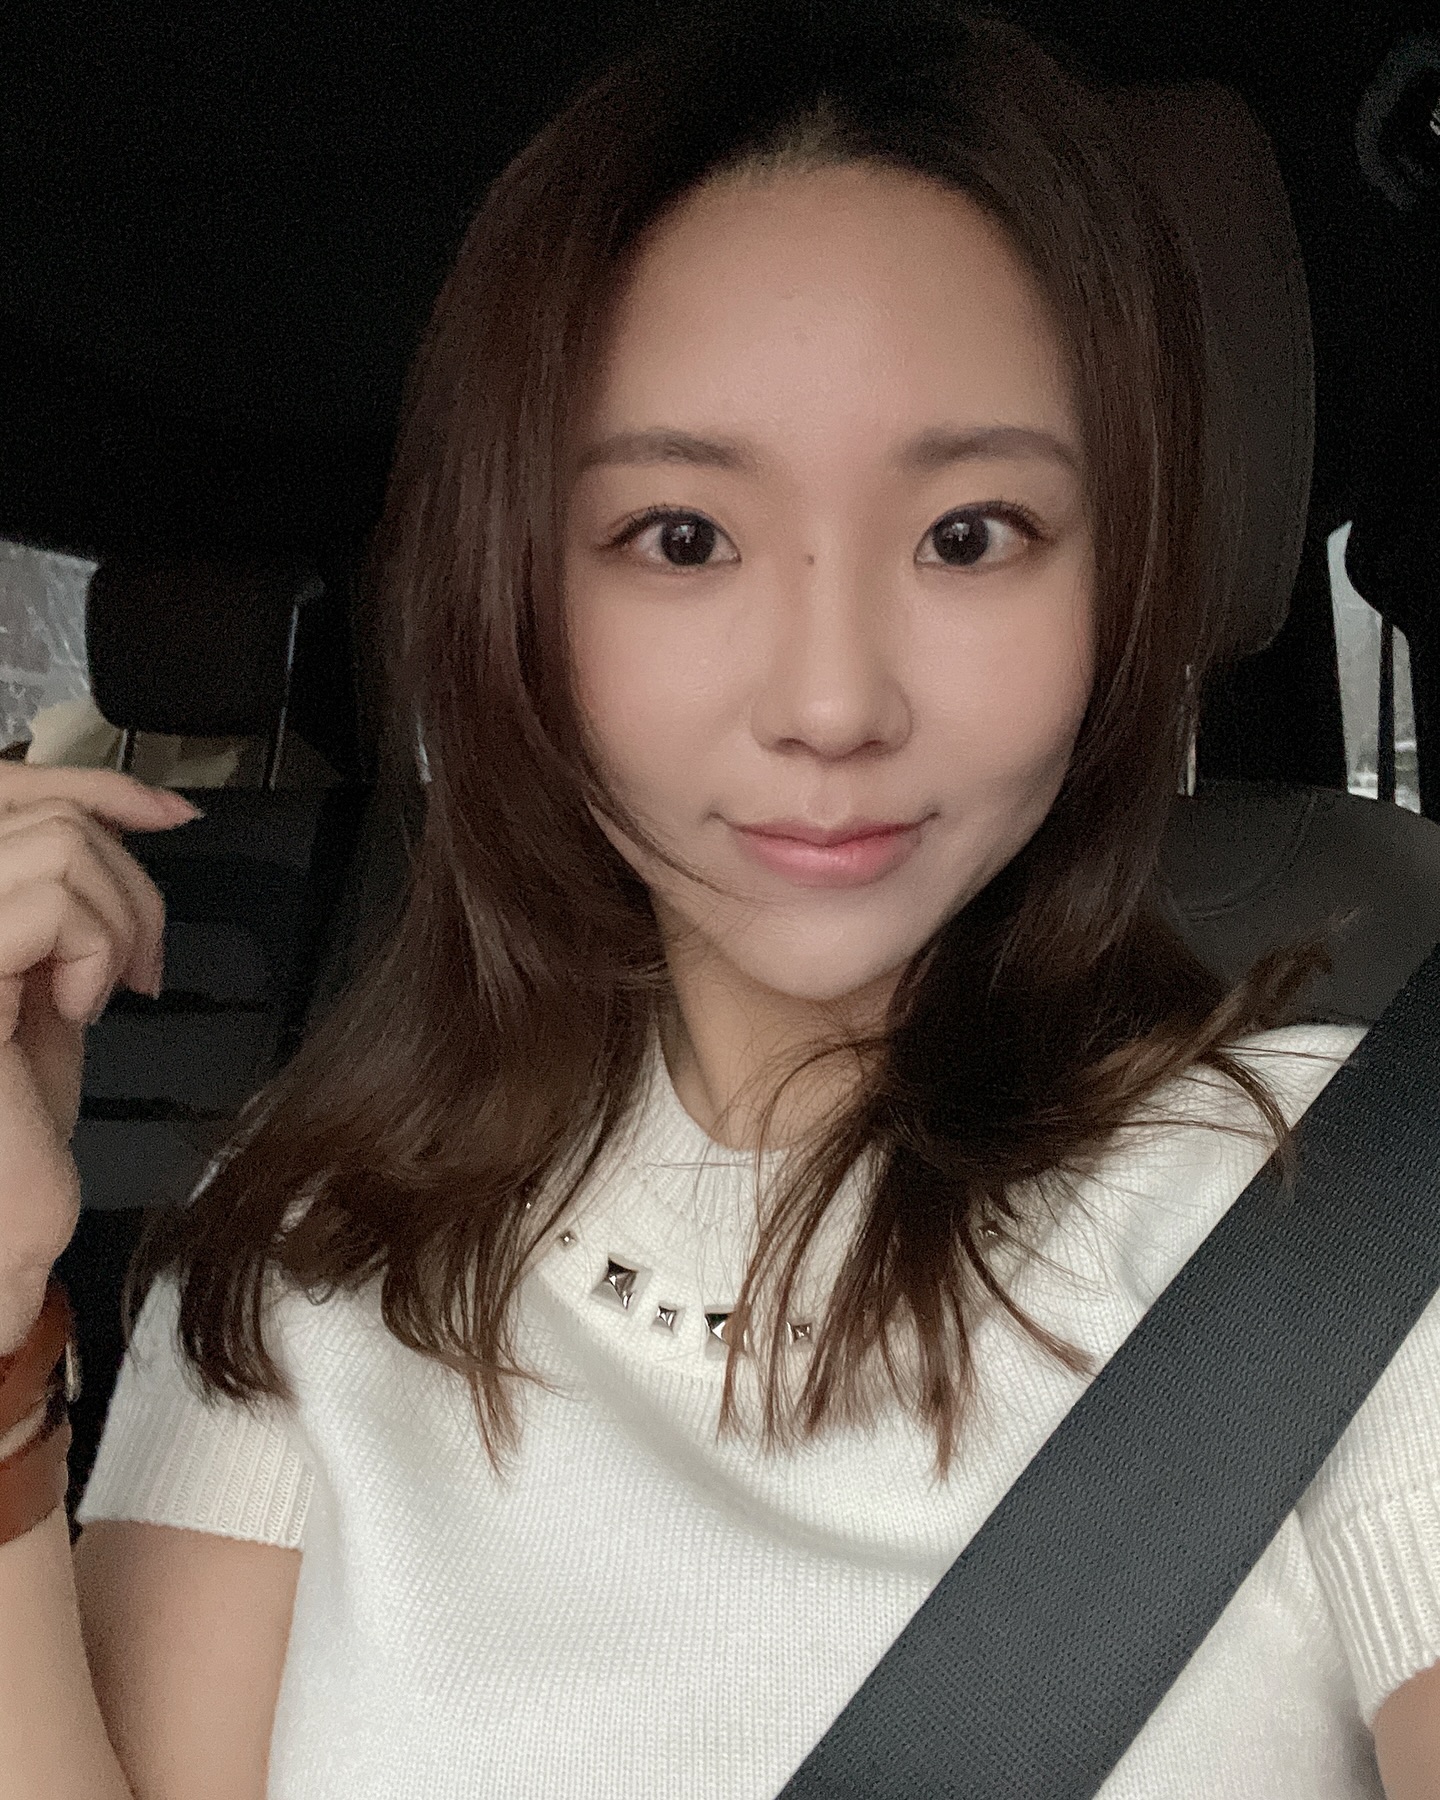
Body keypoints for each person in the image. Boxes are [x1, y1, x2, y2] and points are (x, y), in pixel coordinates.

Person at [0, 4, 1437, 1796]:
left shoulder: (1353, 1230)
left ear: (1120, 570)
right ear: (522, 594)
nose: (832, 703)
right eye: (681, 538)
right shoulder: (311, 1249)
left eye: (971, 534)